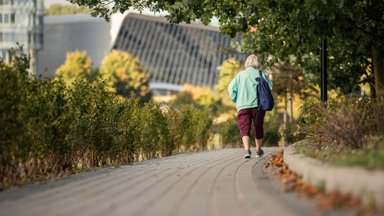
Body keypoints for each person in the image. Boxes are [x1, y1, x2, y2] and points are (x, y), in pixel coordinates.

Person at [228, 54, 273, 158]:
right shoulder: (261, 74)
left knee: (244, 128)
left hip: (242, 106)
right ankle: (258, 151)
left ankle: (247, 150)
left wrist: (235, 98)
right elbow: (270, 87)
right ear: (257, 62)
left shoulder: (240, 75)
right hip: (258, 106)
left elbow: (231, 88)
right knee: (258, 127)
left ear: (247, 62)